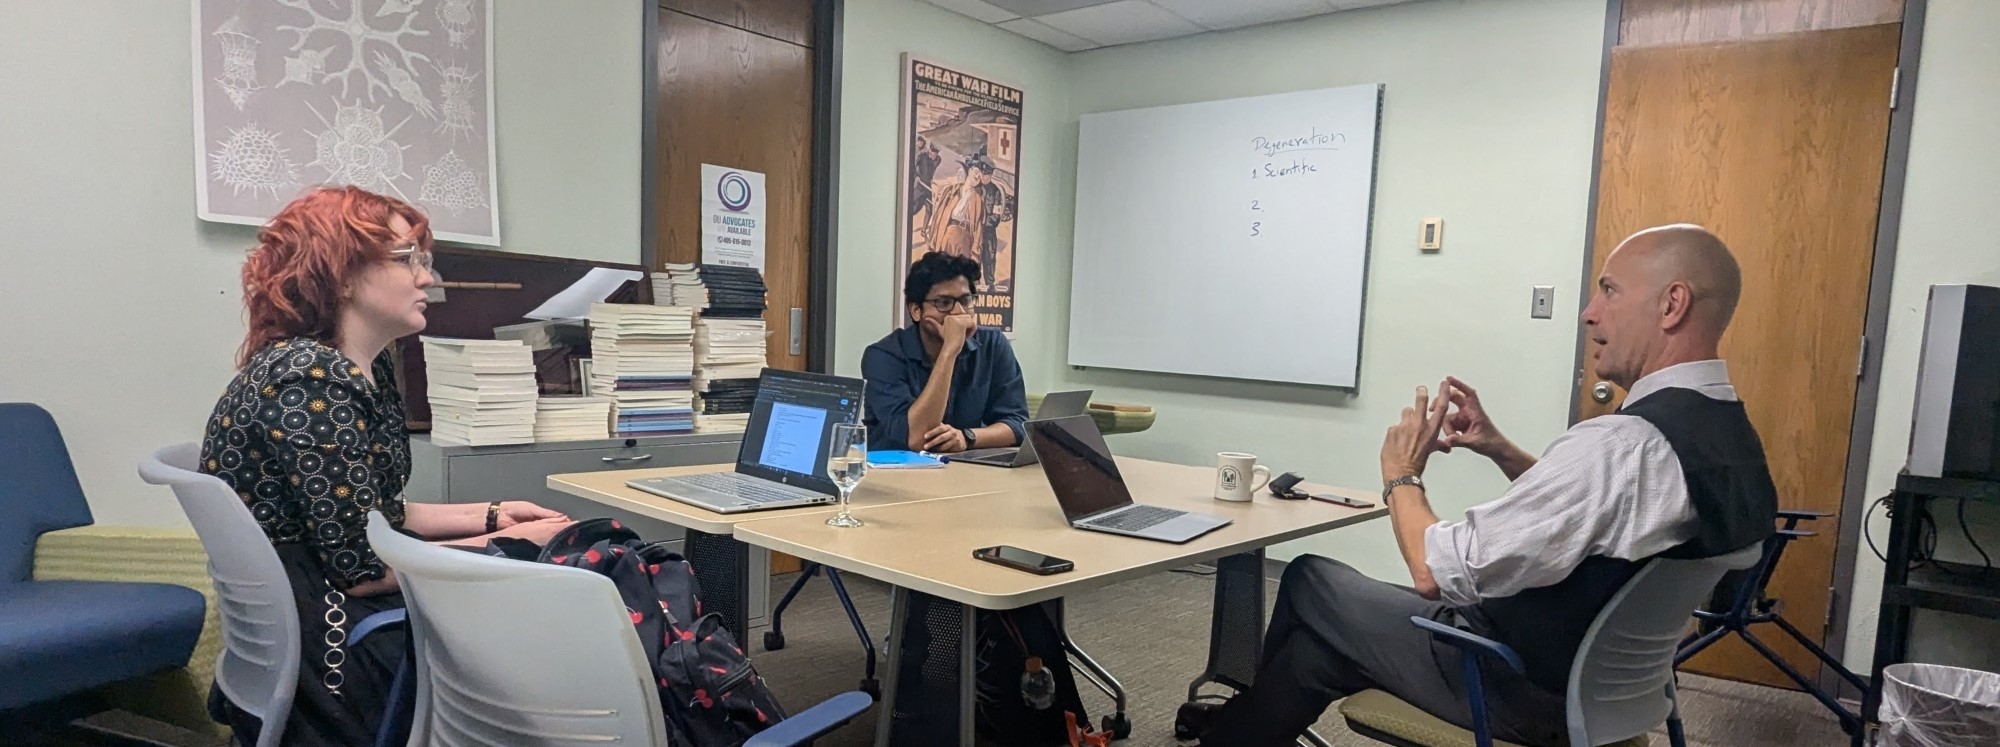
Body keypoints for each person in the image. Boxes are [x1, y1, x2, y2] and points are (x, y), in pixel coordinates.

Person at [1192, 224, 1778, 746]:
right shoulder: (1726, 435)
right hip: (1608, 692)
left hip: (1511, 681)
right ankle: (1236, 727)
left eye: (1609, 290)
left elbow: (1436, 570)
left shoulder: (1624, 446)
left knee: (1309, 579)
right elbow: (1603, 522)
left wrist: (1402, 473)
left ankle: (1236, 721)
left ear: (1672, 304)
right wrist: (1502, 450)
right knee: (1311, 655)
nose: (1589, 313)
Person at [199, 186, 574, 746]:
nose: (428, 278)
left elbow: (376, 514)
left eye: (425, 260)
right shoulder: (308, 378)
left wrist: (495, 516)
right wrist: (513, 546)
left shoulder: (356, 372)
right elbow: (363, 567)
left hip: (316, 605)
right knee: (564, 599)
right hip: (331, 630)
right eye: (407, 260)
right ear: (342, 275)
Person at [861, 251, 1028, 454]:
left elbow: (1018, 424)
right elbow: (917, 439)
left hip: (962, 472)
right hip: (896, 473)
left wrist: (967, 437)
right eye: (943, 303)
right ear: (916, 311)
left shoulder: (992, 344)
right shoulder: (883, 356)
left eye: (966, 300)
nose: (959, 312)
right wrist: (949, 351)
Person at [923, 151, 1012, 288]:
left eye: (986, 174)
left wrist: (981, 227)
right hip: (959, 233)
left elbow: (994, 217)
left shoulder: (993, 192)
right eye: (981, 173)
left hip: (983, 232)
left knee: (986, 259)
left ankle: (989, 285)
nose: (982, 176)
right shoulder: (962, 190)